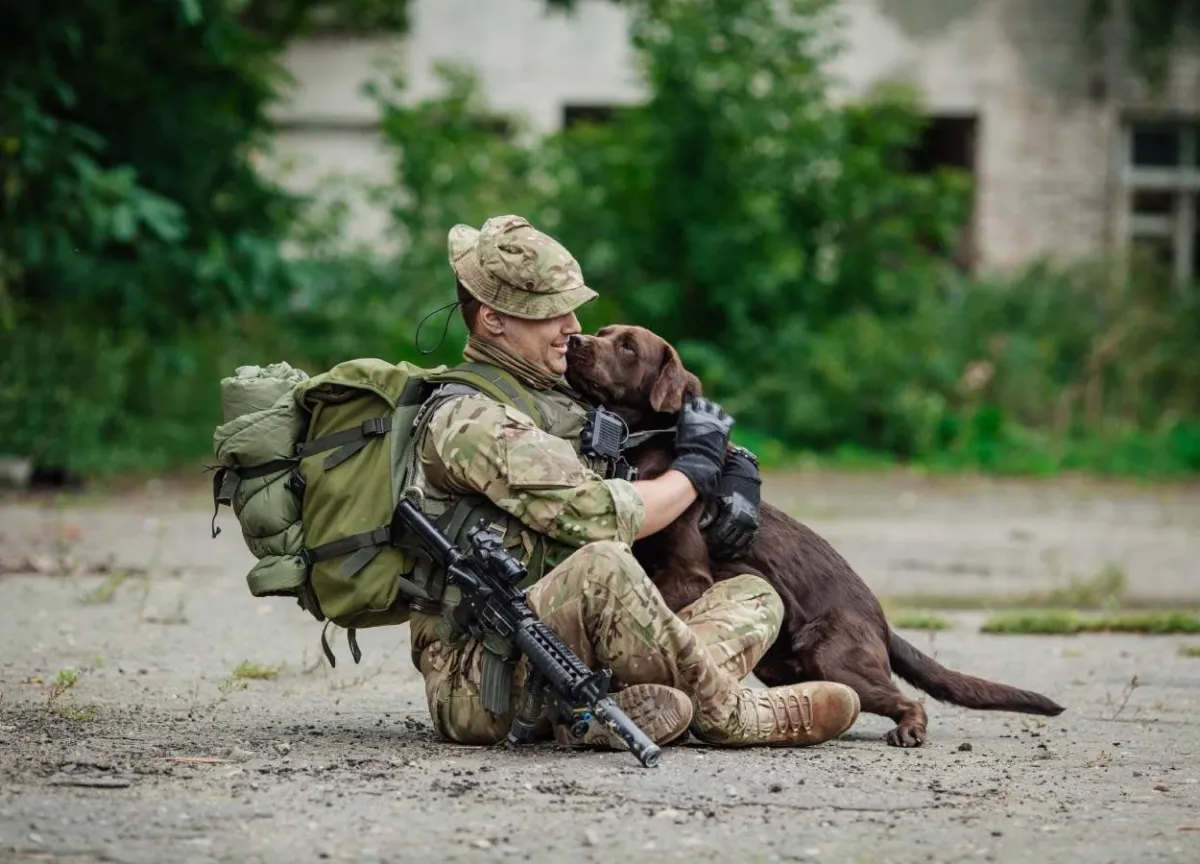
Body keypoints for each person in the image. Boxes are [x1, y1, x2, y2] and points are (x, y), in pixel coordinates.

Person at [405, 214, 860, 751]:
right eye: (550, 312)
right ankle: (732, 714)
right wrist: (694, 472)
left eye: (571, 308)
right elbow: (601, 516)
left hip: (578, 646)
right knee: (604, 562)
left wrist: (733, 466)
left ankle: (626, 708)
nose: (571, 326)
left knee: (752, 592)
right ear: (493, 320)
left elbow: (657, 427)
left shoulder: (554, 397)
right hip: (486, 677)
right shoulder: (473, 420)